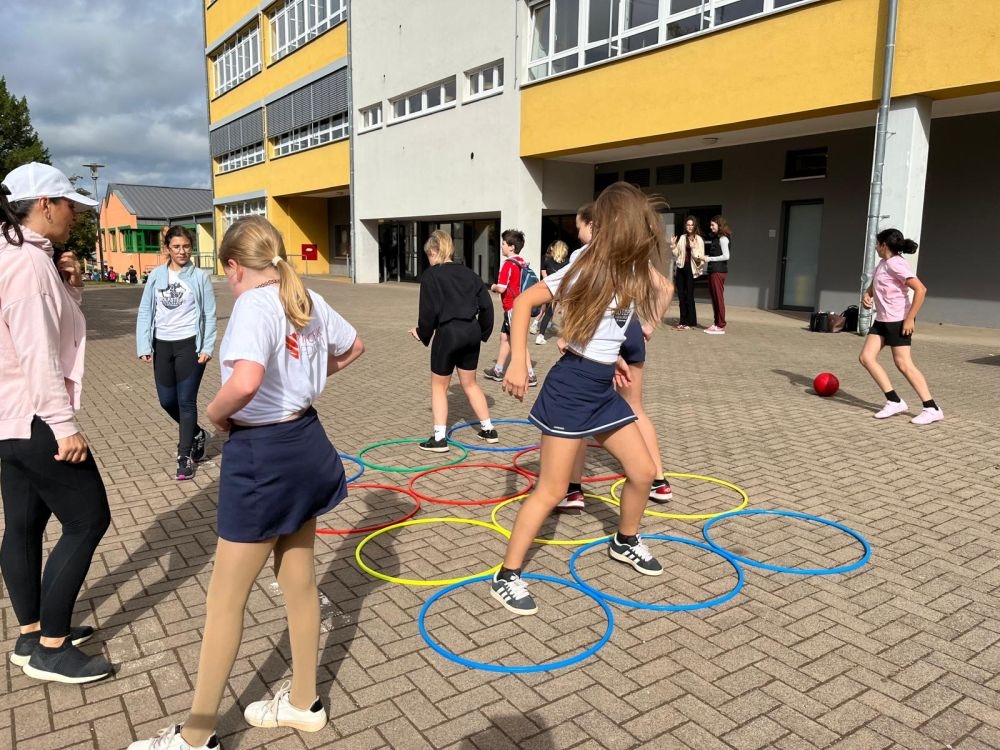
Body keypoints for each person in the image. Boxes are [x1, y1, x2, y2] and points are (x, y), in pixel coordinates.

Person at [128, 216, 365, 750]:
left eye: (226, 272)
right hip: (306, 441)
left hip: (262, 455)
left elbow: (248, 379)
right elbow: (354, 349)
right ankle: (304, 702)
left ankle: (195, 736)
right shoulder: (303, 296)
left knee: (224, 601)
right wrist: (306, 385)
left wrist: (214, 416)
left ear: (233, 266)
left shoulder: (253, 307)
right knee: (299, 579)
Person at [489, 182, 671, 615]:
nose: (649, 231)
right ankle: (506, 575)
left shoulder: (628, 268)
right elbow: (523, 304)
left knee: (643, 472)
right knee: (551, 490)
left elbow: (608, 325)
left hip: (602, 386)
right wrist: (517, 360)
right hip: (571, 389)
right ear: (622, 225)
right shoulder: (586, 265)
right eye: (641, 222)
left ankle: (625, 541)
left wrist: (611, 359)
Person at [0, 162, 113, 683]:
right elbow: (38, 354)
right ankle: (52, 646)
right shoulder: (27, 264)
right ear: (45, 203)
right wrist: (65, 426)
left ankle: (30, 634)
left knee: (23, 528)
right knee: (88, 519)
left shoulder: (18, 255)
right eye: (70, 205)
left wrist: (72, 291)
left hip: (11, 419)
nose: (75, 217)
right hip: (36, 416)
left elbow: (50, 330)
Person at [556, 203, 675, 511]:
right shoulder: (631, 256)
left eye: (579, 226)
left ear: (592, 226)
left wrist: (567, 336)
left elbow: (577, 303)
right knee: (636, 408)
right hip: (631, 333)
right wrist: (648, 326)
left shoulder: (584, 256)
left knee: (579, 414)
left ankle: (573, 489)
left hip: (600, 338)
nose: (578, 231)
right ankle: (659, 481)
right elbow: (665, 287)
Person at [136, 227, 217, 480]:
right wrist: (143, 345)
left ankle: (185, 456)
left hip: (190, 345)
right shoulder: (156, 276)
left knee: (186, 401)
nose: (182, 251)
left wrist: (207, 347)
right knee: (166, 401)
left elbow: (209, 314)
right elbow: (145, 312)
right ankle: (196, 433)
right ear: (167, 248)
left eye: (186, 246)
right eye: (176, 247)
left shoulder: (199, 277)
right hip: (162, 345)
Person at [408, 230, 498, 452]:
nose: (429, 259)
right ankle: (489, 430)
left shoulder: (431, 276)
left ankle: (439, 438)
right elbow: (487, 306)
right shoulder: (470, 274)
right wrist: (483, 333)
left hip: (448, 333)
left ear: (435, 251)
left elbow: (429, 311)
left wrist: (423, 333)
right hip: (471, 331)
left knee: (438, 387)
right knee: (470, 383)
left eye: (429, 254)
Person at [859, 228, 942, 425]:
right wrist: (867, 294)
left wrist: (910, 319)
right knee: (866, 358)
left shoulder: (896, 264)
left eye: (877, 244)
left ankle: (932, 408)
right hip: (882, 321)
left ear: (883, 245)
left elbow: (921, 289)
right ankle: (894, 401)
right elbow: (875, 284)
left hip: (898, 320)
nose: (875, 248)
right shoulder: (883, 263)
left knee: (903, 364)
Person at [483, 229, 538, 387]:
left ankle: (530, 374)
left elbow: (501, 287)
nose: (501, 247)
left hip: (513, 308)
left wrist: (491, 286)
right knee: (504, 337)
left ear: (512, 247)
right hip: (519, 306)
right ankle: (498, 370)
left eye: (503, 244)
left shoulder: (508, 264)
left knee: (518, 341)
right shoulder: (521, 262)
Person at [669, 216, 705, 330]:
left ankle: (690, 322)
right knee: (681, 296)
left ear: (695, 226)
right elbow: (676, 254)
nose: (689, 227)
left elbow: (700, 257)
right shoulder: (683, 237)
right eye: (688, 225)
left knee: (689, 295)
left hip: (691, 269)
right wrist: (673, 245)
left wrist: (694, 248)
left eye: (691, 225)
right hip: (681, 268)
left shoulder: (698, 239)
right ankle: (682, 321)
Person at [532, 240, 569, 345]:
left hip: (551, 289)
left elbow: (544, 276)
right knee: (566, 314)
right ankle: (567, 337)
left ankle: (540, 336)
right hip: (563, 290)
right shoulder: (567, 262)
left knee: (548, 313)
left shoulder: (547, 261)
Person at [704, 216, 731, 334]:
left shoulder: (723, 239)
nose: (711, 227)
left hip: (718, 272)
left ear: (719, 225)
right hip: (713, 271)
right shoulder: (716, 238)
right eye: (711, 225)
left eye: (713, 225)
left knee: (718, 298)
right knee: (714, 298)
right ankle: (716, 323)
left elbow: (726, 256)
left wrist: (709, 259)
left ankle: (721, 325)